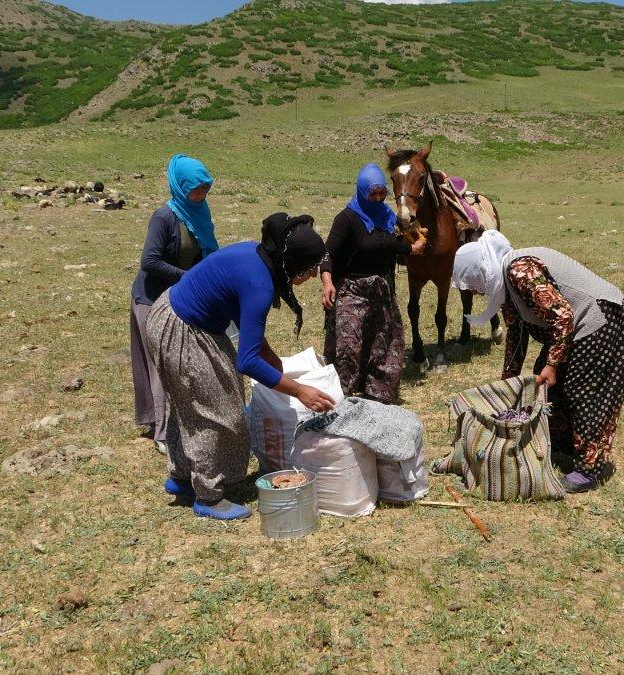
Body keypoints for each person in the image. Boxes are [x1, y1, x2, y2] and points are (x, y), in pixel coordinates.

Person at [145, 212, 335, 520]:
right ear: (292, 263)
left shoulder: (256, 256)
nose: (312, 276)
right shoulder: (260, 284)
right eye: (310, 269)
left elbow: (246, 324)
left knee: (190, 404)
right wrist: (299, 390)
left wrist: (274, 361)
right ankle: (208, 496)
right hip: (183, 329)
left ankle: (182, 478)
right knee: (218, 413)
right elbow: (247, 361)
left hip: (178, 316)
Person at [451, 231, 624, 493]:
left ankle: (589, 470)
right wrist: (508, 383)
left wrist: (553, 364)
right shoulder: (506, 284)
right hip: (573, 327)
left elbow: (563, 316)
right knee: (545, 384)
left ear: (482, 270)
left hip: (598, 319)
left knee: (583, 392)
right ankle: (564, 446)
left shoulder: (519, 271)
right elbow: (517, 333)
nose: (476, 292)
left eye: (473, 285)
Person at [130, 155, 218, 454]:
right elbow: (149, 261)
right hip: (151, 298)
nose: (202, 194)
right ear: (180, 187)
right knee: (161, 364)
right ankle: (163, 433)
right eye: (196, 189)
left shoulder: (199, 212)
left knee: (180, 363)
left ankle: (177, 421)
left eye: (206, 188)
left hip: (179, 298)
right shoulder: (164, 217)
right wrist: (189, 277)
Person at [320, 163, 425, 402]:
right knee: (348, 347)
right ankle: (339, 398)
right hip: (352, 290)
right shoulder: (347, 219)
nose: (377, 198)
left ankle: (377, 394)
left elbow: (390, 244)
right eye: (372, 194)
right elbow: (328, 254)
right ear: (361, 191)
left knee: (383, 345)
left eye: (381, 193)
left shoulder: (388, 217)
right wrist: (327, 282)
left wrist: (412, 246)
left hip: (381, 290)